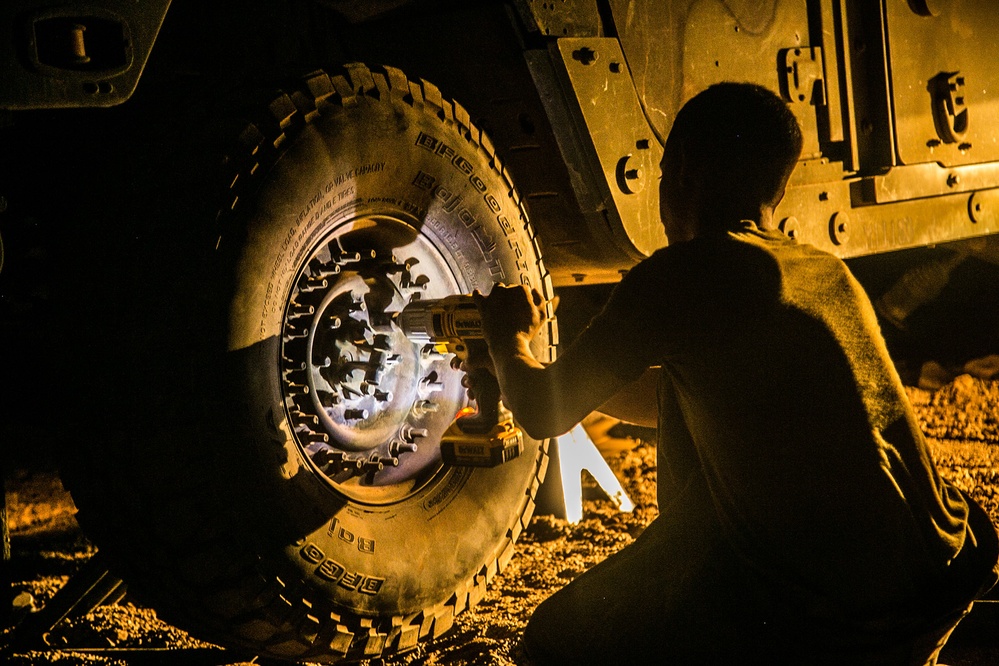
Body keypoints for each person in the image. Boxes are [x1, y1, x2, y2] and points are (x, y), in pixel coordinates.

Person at [469, 82, 999, 664]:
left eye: (666, 173)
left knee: (554, 641)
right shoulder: (823, 271)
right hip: (936, 575)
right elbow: (674, 398)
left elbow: (543, 411)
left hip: (838, 615)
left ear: (685, 174)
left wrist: (506, 335)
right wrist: (559, 367)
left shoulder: (682, 274)